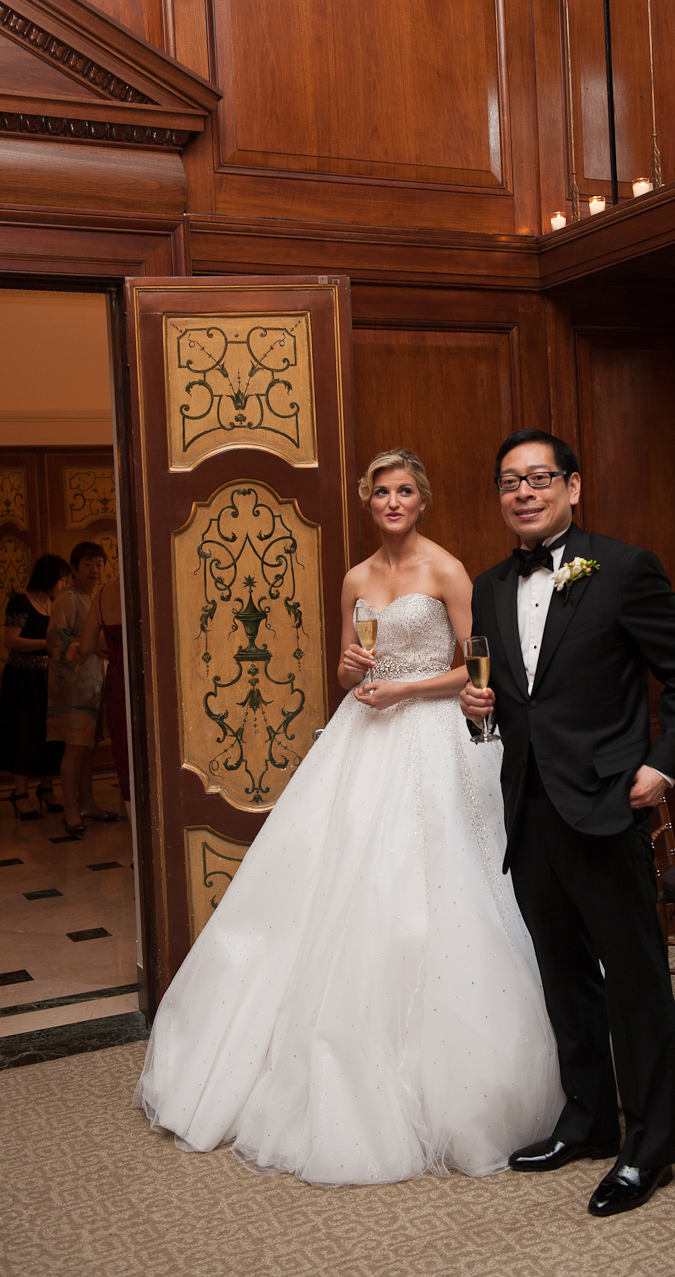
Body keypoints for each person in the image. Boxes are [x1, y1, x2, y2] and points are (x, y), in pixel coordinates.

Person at [134, 447, 562, 1185]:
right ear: (368, 501)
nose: (392, 502)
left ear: (421, 499)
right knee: (333, 885)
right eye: (380, 493)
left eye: (403, 491)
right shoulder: (356, 577)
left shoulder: (447, 569)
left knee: (436, 889)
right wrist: (356, 673)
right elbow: (343, 664)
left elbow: (479, 663)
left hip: (431, 740)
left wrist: (404, 690)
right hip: (362, 739)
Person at [460, 429, 675, 1218]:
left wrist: (663, 762)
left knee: (634, 983)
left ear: (573, 486)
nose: (523, 492)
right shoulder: (490, 584)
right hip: (528, 805)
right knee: (563, 979)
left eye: (538, 478)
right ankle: (590, 1120)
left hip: (606, 803)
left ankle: (650, 1146)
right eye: (509, 481)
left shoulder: (626, 568)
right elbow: (508, 699)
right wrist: (478, 714)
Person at [46, 541, 117, 835]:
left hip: (95, 686)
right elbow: (54, 642)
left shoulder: (97, 598)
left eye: (99, 565)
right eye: (87, 565)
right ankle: (71, 809)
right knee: (74, 748)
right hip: (73, 688)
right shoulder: (67, 599)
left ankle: (88, 802)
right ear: (74, 569)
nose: (94, 570)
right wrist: (89, 648)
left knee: (88, 749)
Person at [0, 554, 70, 819]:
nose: (63, 584)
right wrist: (47, 643)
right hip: (22, 680)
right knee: (23, 735)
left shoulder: (54, 605)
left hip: (49, 679)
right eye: (61, 579)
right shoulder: (20, 602)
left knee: (49, 735)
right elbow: (11, 640)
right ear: (48, 577)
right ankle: (20, 793)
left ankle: (46, 788)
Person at [79, 576, 131, 819]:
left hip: (118, 682)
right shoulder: (154, 584)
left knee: (125, 757)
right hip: (151, 682)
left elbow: (86, 646)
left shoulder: (103, 594)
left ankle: (135, 836)